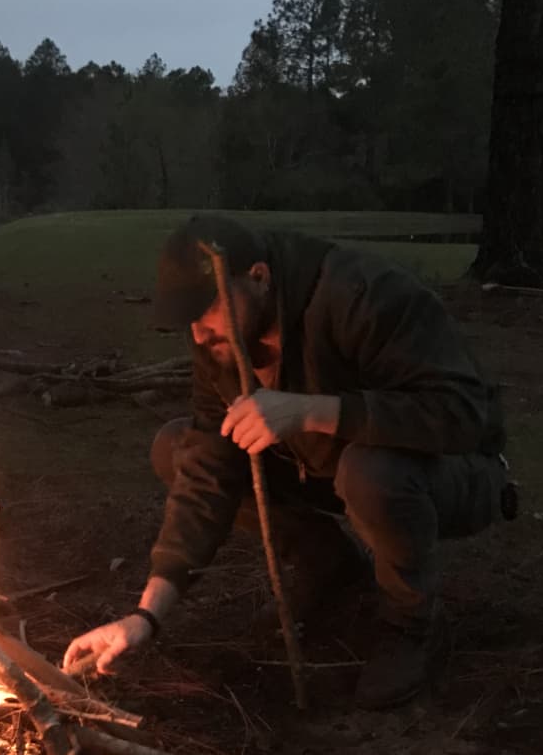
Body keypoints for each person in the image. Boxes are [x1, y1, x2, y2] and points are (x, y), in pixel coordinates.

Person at [62, 213, 510, 709]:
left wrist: (315, 411)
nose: (197, 334)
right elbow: (210, 469)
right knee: (177, 447)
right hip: (328, 469)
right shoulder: (219, 342)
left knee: (370, 471)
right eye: (186, 320)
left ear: (258, 276)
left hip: (451, 473)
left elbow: (464, 416)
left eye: (206, 309)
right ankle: (329, 564)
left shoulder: (359, 295)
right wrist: (146, 615)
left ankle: (411, 623)